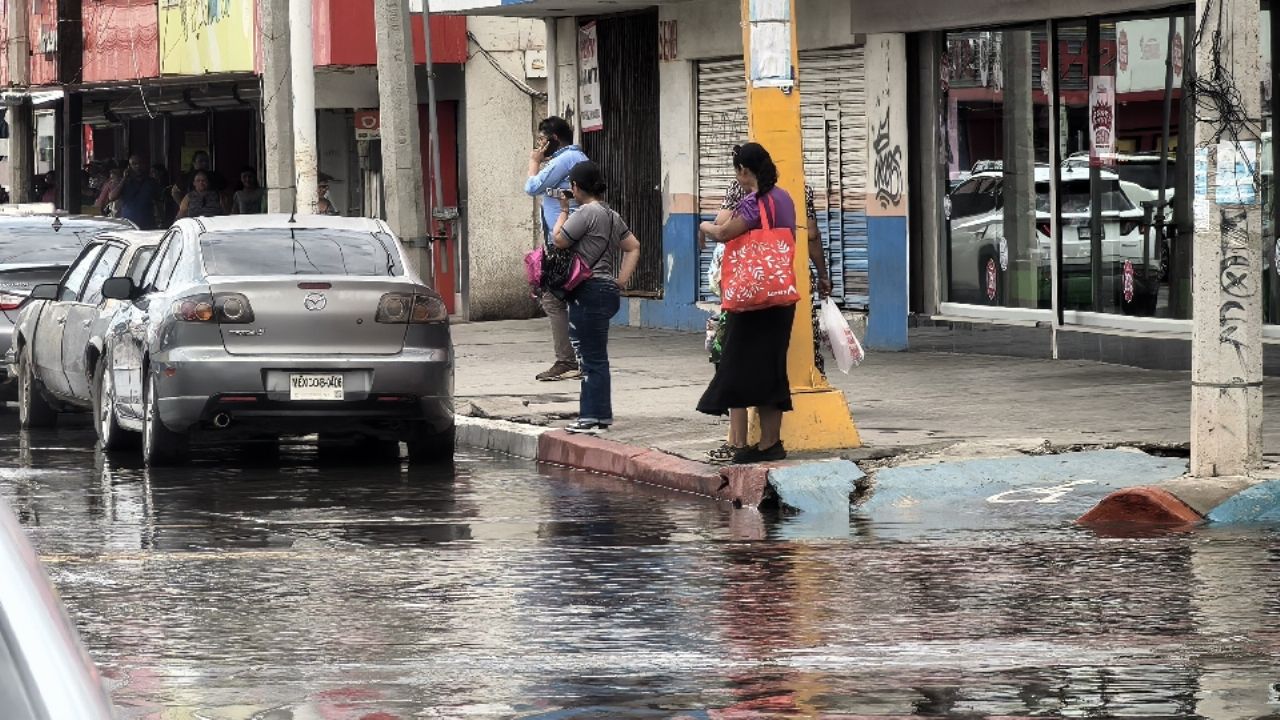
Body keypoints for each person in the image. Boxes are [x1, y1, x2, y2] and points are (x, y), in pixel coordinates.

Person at [696, 143, 798, 464]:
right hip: (780, 295)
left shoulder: (754, 203)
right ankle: (769, 443)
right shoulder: (784, 198)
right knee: (771, 369)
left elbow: (724, 233)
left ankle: (760, 442)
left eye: (737, 171)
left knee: (738, 364)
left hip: (753, 299)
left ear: (743, 170)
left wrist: (703, 227)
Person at [707, 180, 832, 378]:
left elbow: (722, 227)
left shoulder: (740, 186)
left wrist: (705, 227)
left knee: (738, 331)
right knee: (792, 333)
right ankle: (799, 377)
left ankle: (737, 378)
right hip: (785, 277)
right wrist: (823, 275)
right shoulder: (800, 187)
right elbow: (812, 234)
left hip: (745, 277)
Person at [551, 161, 641, 434]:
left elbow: (559, 240)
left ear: (576, 187)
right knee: (596, 357)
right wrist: (620, 281)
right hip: (605, 289)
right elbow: (633, 246)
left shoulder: (586, 212)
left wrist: (563, 211)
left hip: (587, 290)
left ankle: (591, 418)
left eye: (572, 186)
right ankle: (599, 416)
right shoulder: (612, 215)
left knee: (590, 359)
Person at [524, 116, 589, 383]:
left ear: (554, 138)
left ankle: (567, 361)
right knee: (573, 298)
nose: (540, 145)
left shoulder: (565, 159)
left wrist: (534, 162)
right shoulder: (575, 158)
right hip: (568, 237)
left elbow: (532, 187)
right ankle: (581, 359)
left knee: (553, 299)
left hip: (565, 240)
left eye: (542, 139)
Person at [110, 155, 161, 229]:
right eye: (134, 164)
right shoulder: (125, 183)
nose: (138, 166)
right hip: (128, 225)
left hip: (147, 224)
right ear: (129, 167)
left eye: (140, 163)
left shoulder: (152, 182)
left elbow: (159, 202)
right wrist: (124, 178)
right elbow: (112, 197)